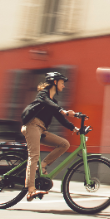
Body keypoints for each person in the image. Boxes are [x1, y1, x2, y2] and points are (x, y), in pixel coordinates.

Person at [20, 72, 78, 201]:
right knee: (34, 155)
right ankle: (30, 190)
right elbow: (49, 104)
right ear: (55, 82)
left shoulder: (54, 102)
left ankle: (43, 165)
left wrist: (74, 128)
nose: (64, 86)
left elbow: (60, 118)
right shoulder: (43, 94)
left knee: (64, 144)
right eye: (62, 83)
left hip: (42, 129)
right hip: (32, 125)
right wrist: (62, 110)